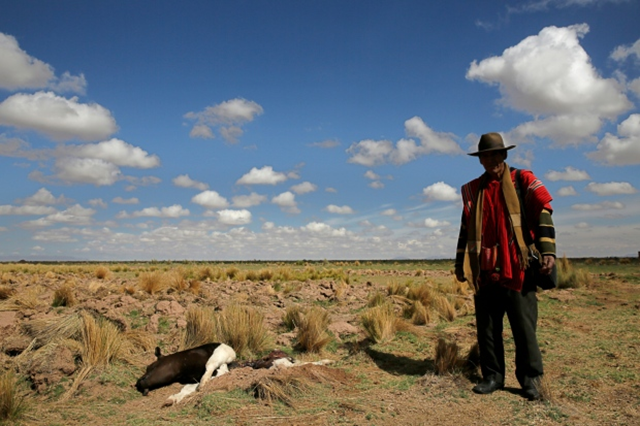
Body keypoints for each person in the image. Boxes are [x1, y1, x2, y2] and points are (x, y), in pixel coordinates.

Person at [454, 132, 556, 401]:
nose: (489, 160)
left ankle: (530, 379)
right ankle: (493, 376)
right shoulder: (473, 189)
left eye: (494, 154)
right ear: (480, 160)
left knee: (524, 328)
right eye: (484, 156)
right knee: (486, 328)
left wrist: (548, 250)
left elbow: (543, 211)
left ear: (504, 155)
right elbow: (465, 228)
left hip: (518, 268)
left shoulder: (523, 180)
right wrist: (460, 264)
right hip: (484, 270)